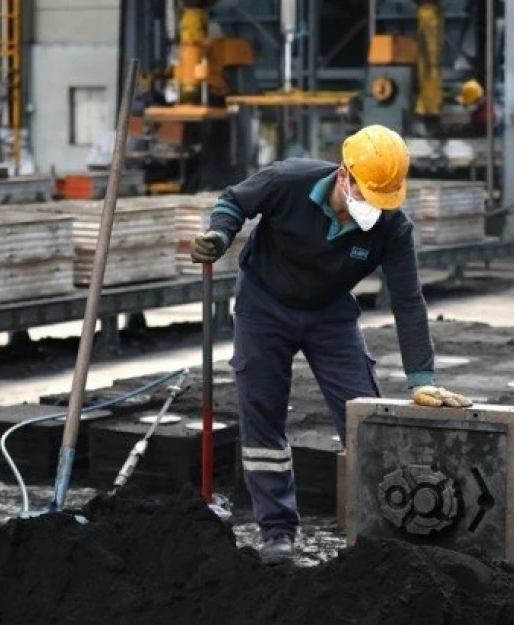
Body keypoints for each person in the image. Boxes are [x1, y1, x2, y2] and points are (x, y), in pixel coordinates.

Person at [190, 124, 473, 565]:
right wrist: (220, 235)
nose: (374, 211)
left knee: (363, 415)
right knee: (262, 415)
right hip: (263, 305)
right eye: (368, 197)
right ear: (344, 176)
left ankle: (384, 528)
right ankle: (278, 532)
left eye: (384, 202)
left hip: (329, 313)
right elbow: (234, 201)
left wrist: (422, 377)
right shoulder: (289, 180)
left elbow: (409, 301)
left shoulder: (392, 227)